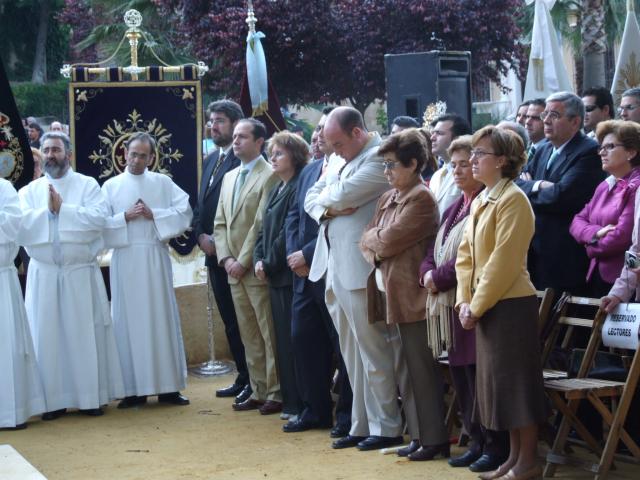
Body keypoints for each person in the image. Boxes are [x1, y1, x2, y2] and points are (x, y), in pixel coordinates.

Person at [305, 106, 402, 451]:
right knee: (351, 355)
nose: (331, 151)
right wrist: (328, 206)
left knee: (374, 351)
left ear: (357, 133)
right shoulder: (336, 158)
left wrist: (329, 200)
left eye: (337, 143)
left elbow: (343, 195)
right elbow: (312, 198)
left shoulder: (379, 157)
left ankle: (388, 426)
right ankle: (361, 424)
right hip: (334, 264)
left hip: (361, 269)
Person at [457, 126, 547, 480]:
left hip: (510, 305)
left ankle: (528, 461)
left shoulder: (513, 199)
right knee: (500, 388)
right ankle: (512, 458)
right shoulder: (482, 198)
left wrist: (476, 305)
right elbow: (466, 256)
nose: (474, 160)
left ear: (503, 160)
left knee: (517, 386)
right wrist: (465, 301)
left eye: (480, 154)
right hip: (487, 304)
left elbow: (504, 261)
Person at [17, 131, 124, 420]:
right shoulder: (29, 191)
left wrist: (63, 209)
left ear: (68, 154)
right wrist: (48, 214)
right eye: (47, 150)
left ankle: (90, 397)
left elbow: (99, 220)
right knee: (46, 338)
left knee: (83, 334)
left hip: (79, 273)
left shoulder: (87, 185)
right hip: (45, 273)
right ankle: (53, 401)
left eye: (56, 149)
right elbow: (20, 226)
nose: (51, 155)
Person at [420, 135, 510, 474]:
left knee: (481, 376)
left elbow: (470, 256)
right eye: (453, 164)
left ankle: (493, 443)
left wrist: (438, 278)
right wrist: (427, 271)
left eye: (465, 163)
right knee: (462, 375)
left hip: (476, 300)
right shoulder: (456, 204)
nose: (458, 170)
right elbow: (435, 246)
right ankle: (475, 439)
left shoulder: (488, 202)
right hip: (454, 302)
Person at [360, 128, 449, 461]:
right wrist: (377, 244)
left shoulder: (422, 199)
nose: (387, 172)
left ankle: (434, 438)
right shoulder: (389, 197)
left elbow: (383, 240)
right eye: (384, 165)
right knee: (405, 371)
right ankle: (417, 435)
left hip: (414, 297)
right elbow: (367, 239)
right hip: (390, 296)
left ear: (413, 165)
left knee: (421, 371)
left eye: (392, 165)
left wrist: (376, 243)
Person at [102, 132, 193, 408]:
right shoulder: (110, 186)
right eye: (133, 153)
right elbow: (99, 222)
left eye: (143, 155)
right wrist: (124, 217)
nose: (137, 159)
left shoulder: (163, 183)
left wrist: (156, 215)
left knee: (160, 319)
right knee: (128, 323)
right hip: (126, 258)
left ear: (151, 157)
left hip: (154, 256)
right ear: (124, 154)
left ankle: (167, 388)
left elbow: (185, 212)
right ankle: (133, 390)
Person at [283, 108, 353, 436]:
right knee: (303, 340)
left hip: (331, 267)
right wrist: (293, 254)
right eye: (316, 131)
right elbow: (294, 216)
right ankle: (314, 410)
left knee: (341, 345)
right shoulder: (309, 171)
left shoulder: (347, 168)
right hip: (302, 275)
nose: (318, 136)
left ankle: (346, 416)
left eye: (324, 131)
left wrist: (308, 254)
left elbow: (339, 218)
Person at [213, 118, 281, 415]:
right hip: (233, 270)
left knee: (268, 333)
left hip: (254, 269)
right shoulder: (229, 177)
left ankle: (276, 391)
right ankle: (257, 388)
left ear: (259, 142)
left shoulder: (269, 174)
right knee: (248, 334)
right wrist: (226, 259)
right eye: (235, 136)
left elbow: (260, 224)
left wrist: (242, 261)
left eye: (243, 137)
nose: (236, 141)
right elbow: (219, 223)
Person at [192, 100, 251, 403]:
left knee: (245, 322)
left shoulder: (243, 161)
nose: (213, 126)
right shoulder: (211, 159)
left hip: (236, 256)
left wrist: (221, 245)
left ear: (236, 124)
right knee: (229, 320)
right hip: (212, 254)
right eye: (211, 121)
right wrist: (200, 234)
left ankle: (255, 379)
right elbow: (200, 206)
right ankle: (243, 376)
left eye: (220, 121)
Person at [517, 91, 604, 294]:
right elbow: (517, 184)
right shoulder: (543, 149)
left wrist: (530, 189)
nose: (545, 120)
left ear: (575, 122)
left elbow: (560, 196)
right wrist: (538, 186)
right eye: (545, 114)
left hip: (564, 259)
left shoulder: (589, 152)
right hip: (535, 255)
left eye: (554, 115)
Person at [254, 131, 308, 420]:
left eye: (278, 154)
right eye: (271, 154)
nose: (272, 158)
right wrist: (258, 259)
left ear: (295, 157)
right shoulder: (277, 187)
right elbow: (264, 230)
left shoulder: (297, 186)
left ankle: (297, 403)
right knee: (281, 343)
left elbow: (286, 236)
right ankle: (290, 402)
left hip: (287, 275)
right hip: (274, 273)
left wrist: (269, 261)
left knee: (293, 343)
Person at [569, 120, 640, 298]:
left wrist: (589, 246)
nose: (601, 152)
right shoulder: (605, 185)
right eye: (601, 147)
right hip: (597, 275)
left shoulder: (635, 187)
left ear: (631, 152)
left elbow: (622, 238)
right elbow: (576, 221)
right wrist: (597, 233)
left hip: (624, 281)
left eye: (609, 147)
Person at [0, 179, 45, 430]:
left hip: (2, 278)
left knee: (7, 346)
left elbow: (13, 225)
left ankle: (10, 412)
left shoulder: (4, 188)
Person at [429, 114, 472, 216]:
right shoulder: (436, 176)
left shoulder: (470, 173)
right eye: (433, 133)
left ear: (457, 138)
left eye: (439, 133)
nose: (432, 138)